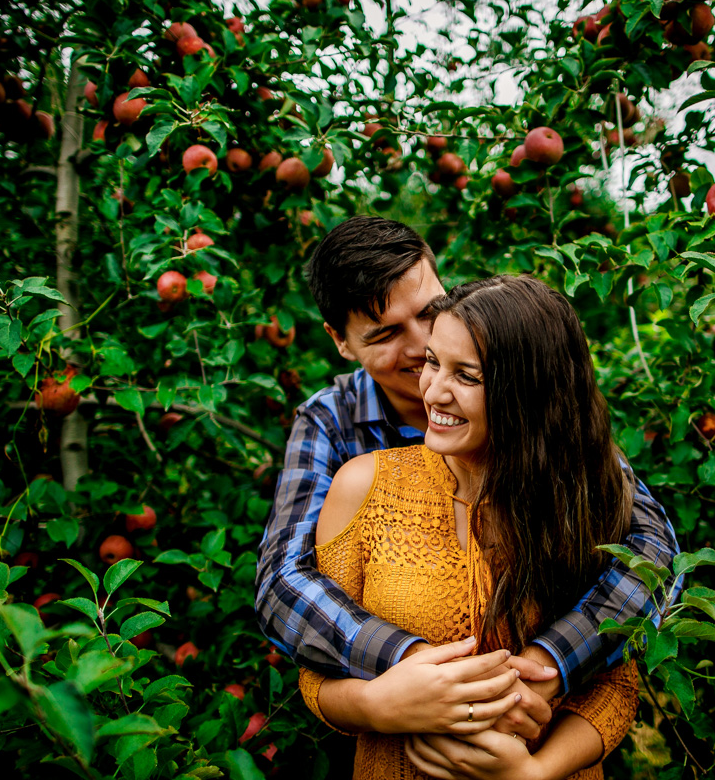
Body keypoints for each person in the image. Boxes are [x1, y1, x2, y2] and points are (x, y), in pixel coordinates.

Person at [254, 216, 679, 738]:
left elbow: (652, 552)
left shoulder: (531, 399)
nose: (420, 345)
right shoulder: (331, 424)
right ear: (340, 341)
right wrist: (415, 667)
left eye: (427, 312)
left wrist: (549, 665)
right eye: (386, 333)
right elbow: (282, 583)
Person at [299, 275, 640, 779]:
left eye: (467, 376)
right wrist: (375, 706)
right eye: (433, 362)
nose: (434, 391)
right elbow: (316, 672)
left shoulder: (583, 499)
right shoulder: (364, 488)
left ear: (529, 390)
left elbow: (615, 684)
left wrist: (535, 773)